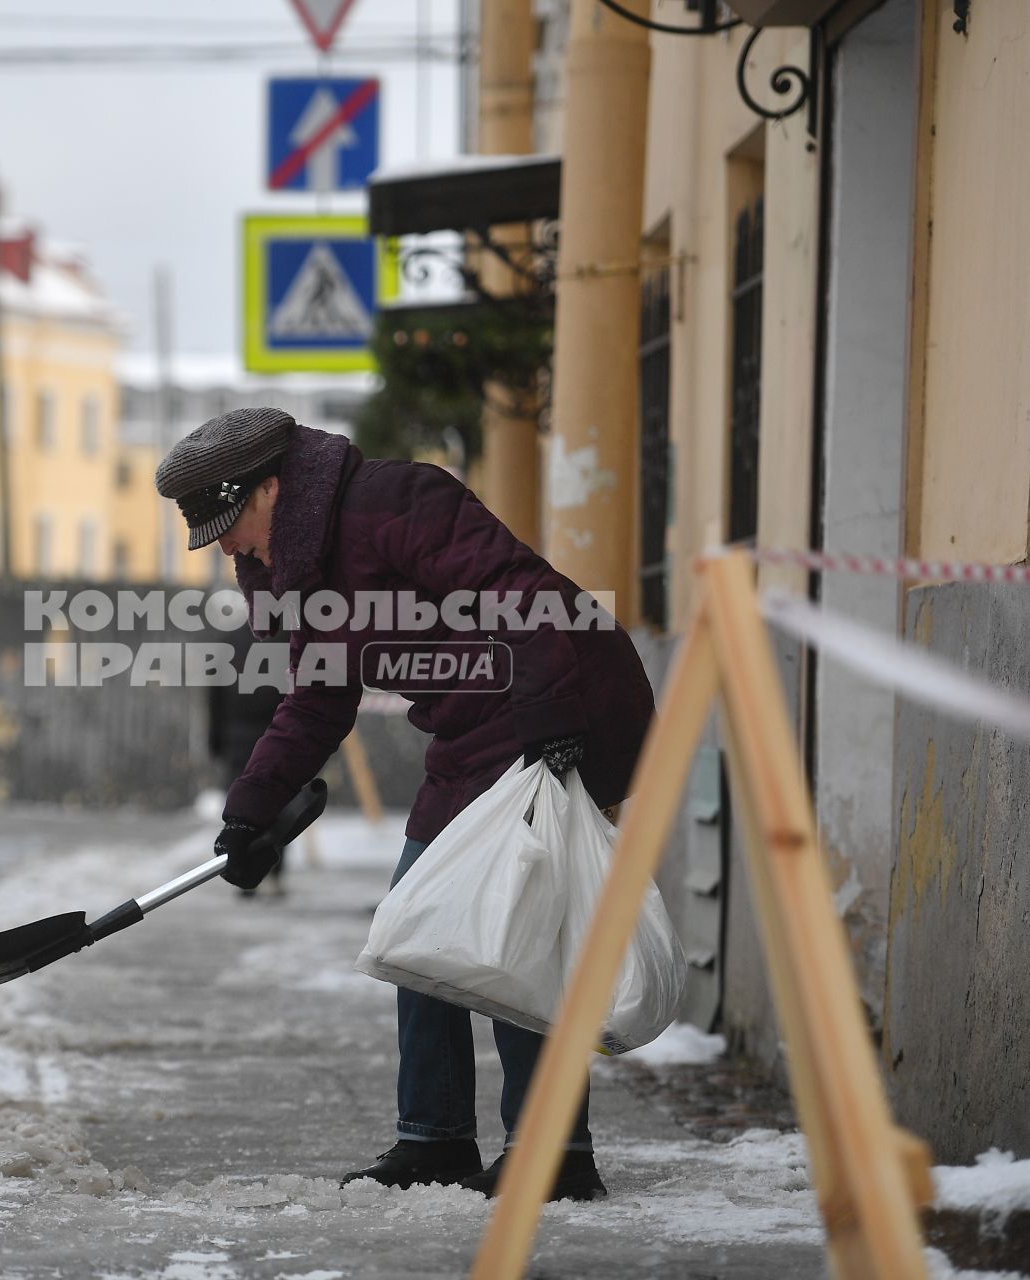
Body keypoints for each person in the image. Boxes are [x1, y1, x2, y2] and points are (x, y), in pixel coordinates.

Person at [155, 407, 655, 1201]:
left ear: (273, 488)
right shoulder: (287, 571)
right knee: (414, 923)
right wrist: (251, 812)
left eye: (228, 522)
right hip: (471, 730)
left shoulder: (397, 501)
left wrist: (555, 719)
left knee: (511, 927)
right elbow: (317, 698)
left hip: (561, 700)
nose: (223, 547)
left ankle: (555, 1154)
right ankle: (436, 1140)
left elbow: (523, 594)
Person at [204, 591, 288, 897]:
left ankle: (243, 875)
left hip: (237, 735)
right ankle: (276, 873)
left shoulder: (228, 640)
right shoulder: (287, 639)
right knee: (278, 805)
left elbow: (214, 695)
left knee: (242, 806)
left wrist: (215, 741)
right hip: (278, 732)